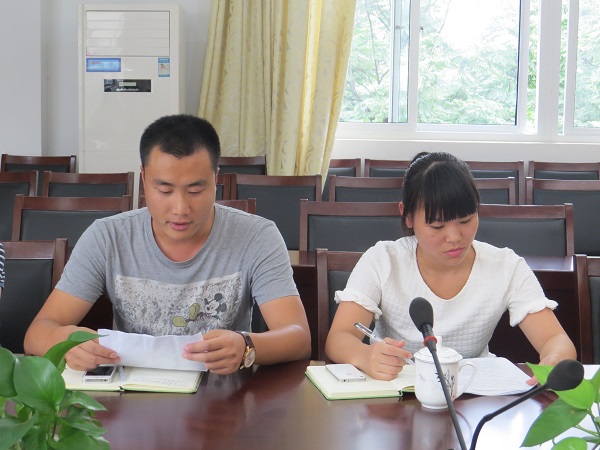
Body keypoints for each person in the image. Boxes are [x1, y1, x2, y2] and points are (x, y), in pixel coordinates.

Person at [24, 114, 311, 374]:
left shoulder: (256, 236)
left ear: (216, 178)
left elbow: (298, 337)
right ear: (144, 178)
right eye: (164, 190)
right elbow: (37, 333)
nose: (180, 209)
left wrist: (247, 346)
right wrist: (67, 341)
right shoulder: (107, 237)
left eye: (195, 190)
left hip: (222, 393)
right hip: (131, 394)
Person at [325, 152, 576, 381]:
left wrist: (555, 357)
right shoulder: (382, 260)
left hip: (474, 395)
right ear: (407, 216)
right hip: (396, 392)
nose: (455, 237)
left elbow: (554, 339)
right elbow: (339, 337)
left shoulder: (506, 266)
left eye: (466, 220)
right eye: (438, 226)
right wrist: (365, 356)